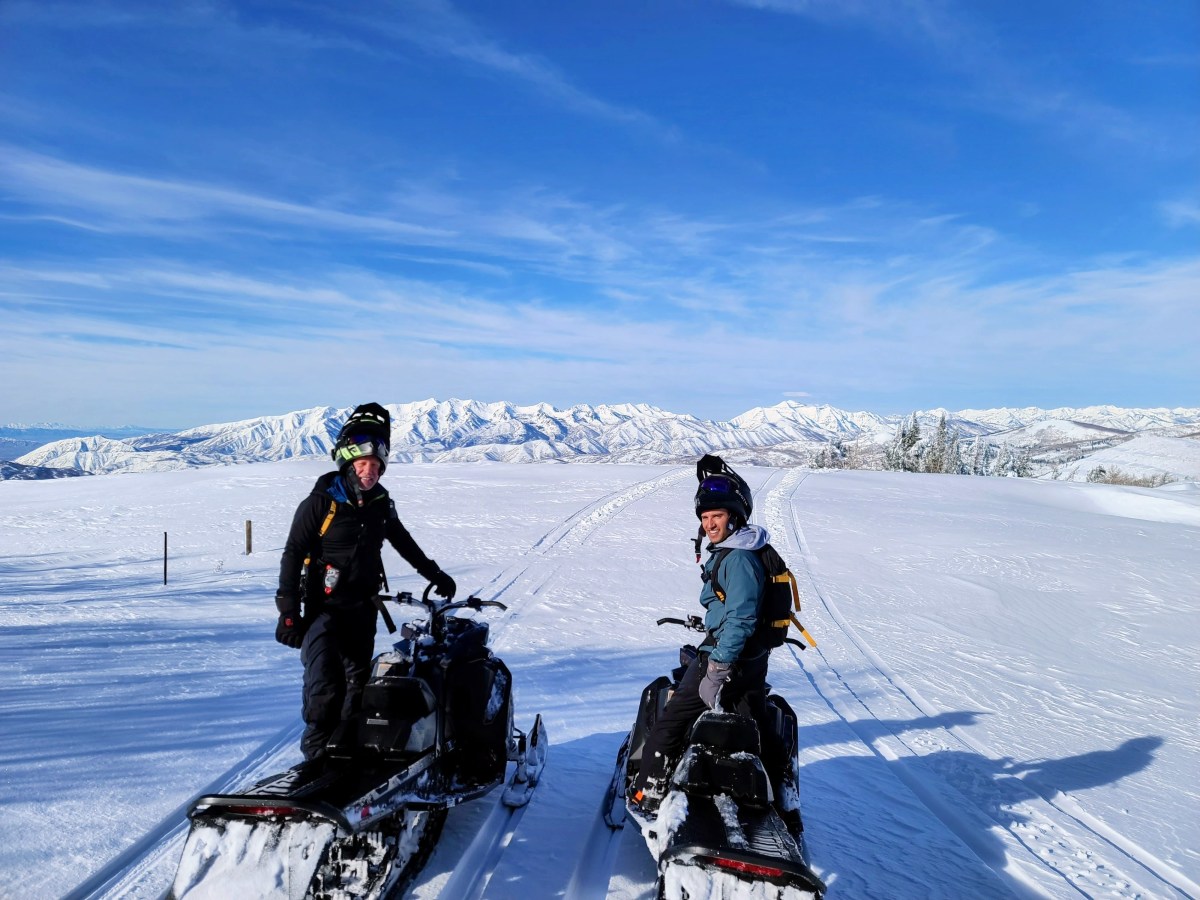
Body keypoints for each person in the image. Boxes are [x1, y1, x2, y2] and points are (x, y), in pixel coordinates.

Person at [274, 402, 457, 760]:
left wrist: (434, 573)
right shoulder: (321, 503)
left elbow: (403, 541)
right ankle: (314, 763)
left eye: (375, 466)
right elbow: (293, 553)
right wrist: (288, 612)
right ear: (348, 463)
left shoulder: (380, 504)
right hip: (322, 610)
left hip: (362, 609)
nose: (369, 472)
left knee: (356, 688)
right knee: (324, 689)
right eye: (362, 464)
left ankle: (344, 760)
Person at [631, 454, 774, 809]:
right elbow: (735, 609)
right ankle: (777, 796)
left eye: (718, 516)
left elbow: (740, 618)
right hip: (751, 659)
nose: (711, 524)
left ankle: (647, 794)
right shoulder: (741, 549)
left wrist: (718, 667)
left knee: (671, 722)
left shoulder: (739, 558)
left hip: (725, 658)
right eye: (705, 518)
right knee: (758, 731)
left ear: (735, 518)